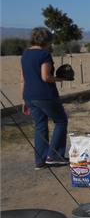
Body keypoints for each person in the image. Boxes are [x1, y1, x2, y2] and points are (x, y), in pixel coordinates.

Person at [20, 27, 69, 170]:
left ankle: (40, 160)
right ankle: (54, 155)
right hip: (45, 95)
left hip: (29, 96)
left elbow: (22, 79)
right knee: (61, 121)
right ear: (46, 40)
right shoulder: (44, 55)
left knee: (40, 126)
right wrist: (61, 79)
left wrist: (24, 99)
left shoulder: (25, 55)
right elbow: (46, 77)